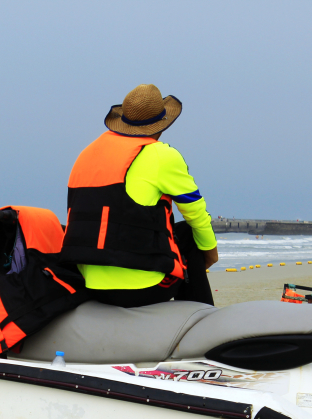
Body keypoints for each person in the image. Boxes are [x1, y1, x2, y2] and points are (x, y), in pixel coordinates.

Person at [59, 83, 217, 307]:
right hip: (141, 288)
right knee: (190, 234)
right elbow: (196, 212)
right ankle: (202, 317)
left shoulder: (87, 153)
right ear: (162, 124)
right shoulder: (162, 155)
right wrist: (210, 255)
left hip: (88, 283)